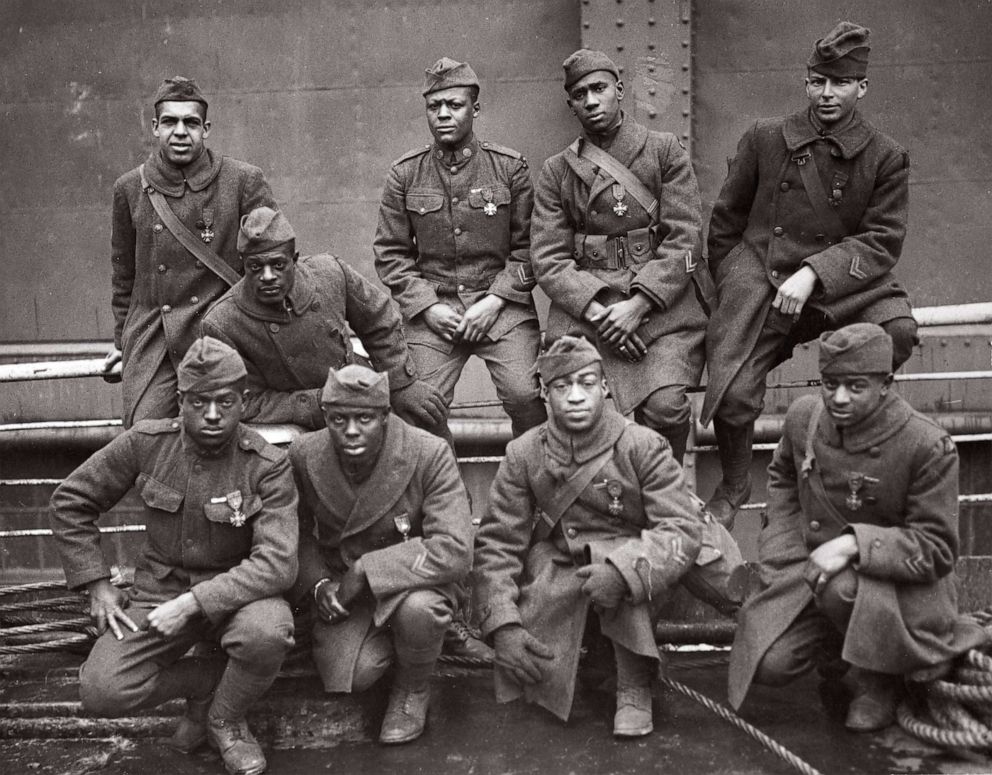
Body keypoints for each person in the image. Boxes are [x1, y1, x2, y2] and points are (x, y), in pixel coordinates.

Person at [701, 22, 919, 526]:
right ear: (806, 83)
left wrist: (813, 274)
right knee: (733, 394)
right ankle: (735, 483)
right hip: (763, 280)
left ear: (861, 88)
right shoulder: (764, 138)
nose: (826, 94)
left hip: (845, 284)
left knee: (897, 332)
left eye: (839, 83)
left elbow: (882, 240)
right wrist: (737, 283)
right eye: (817, 81)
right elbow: (725, 222)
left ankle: (840, 445)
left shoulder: (885, 157)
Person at [50, 337, 298, 775]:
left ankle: (226, 721)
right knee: (102, 689)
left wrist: (194, 603)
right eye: (200, 402)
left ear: (244, 401)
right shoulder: (147, 444)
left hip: (238, 598)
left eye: (226, 401)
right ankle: (208, 686)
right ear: (181, 401)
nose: (214, 415)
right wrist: (98, 585)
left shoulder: (267, 464)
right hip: (157, 593)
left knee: (267, 632)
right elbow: (71, 501)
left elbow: (278, 564)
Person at [728, 324, 987, 730]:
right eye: (830, 384)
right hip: (812, 573)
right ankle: (843, 654)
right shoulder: (805, 419)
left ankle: (878, 681)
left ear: (886, 383)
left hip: (898, 590)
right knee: (769, 664)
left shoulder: (926, 445)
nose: (840, 398)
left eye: (856, 386)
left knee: (841, 587)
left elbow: (936, 549)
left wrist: (853, 545)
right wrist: (781, 545)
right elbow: (782, 475)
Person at [473, 335, 704, 736]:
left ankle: (634, 684)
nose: (575, 396)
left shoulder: (641, 444)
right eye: (562, 387)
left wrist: (623, 573)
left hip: (639, 564)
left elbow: (681, 528)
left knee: (620, 564)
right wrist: (503, 625)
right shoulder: (524, 452)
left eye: (586, 383)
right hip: (562, 565)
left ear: (605, 387)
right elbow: (498, 543)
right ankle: (594, 663)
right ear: (545, 394)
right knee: (536, 683)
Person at [530, 49, 710, 464]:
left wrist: (639, 304)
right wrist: (604, 312)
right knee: (581, 414)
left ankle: (666, 488)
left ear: (619, 91)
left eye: (599, 89)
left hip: (661, 309)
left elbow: (685, 239)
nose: (591, 101)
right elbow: (548, 258)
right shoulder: (557, 170)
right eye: (580, 94)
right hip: (588, 312)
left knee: (666, 408)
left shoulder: (663, 151)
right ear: (570, 104)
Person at [288, 365, 473, 744]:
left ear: (386, 416)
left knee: (419, 611)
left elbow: (455, 550)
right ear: (326, 417)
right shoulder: (305, 454)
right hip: (345, 593)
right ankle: (406, 647)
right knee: (357, 676)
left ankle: (413, 688)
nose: (351, 430)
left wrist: (368, 569)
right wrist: (318, 583)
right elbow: (295, 533)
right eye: (339, 419)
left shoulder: (427, 452)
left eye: (365, 418)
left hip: (415, 582)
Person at [374, 57, 546, 440]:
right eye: (434, 107)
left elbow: (530, 248)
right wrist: (428, 307)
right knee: (418, 405)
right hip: (435, 309)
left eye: (454, 105)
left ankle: (535, 488)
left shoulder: (509, 169)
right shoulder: (405, 174)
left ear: (475, 109)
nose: (443, 115)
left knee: (525, 394)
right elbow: (391, 254)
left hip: (501, 308)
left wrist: (496, 300)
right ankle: (444, 494)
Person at [106, 76, 278, 428]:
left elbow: (274, 260)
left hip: (223, 334)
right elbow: (124, 277)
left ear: (206, 128)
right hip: (156, 340)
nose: (180, 131)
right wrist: (122, 342)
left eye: (191, 123)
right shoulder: (129, 188)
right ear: (155, 127)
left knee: (225, 429)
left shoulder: (243, 180)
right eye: (170, 121)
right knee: (145, 434)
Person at [202, 206, 447, 435]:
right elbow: (245, 401)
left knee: (426, 419)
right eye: (255, 267)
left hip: (358, 387)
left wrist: (400, 383)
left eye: (277, 265)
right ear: (243, 265)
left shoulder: (329, 273)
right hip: (300, 419)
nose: (267, 276)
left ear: (294, 260)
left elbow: (379, 321)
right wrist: (319, 401)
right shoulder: (222, 323)